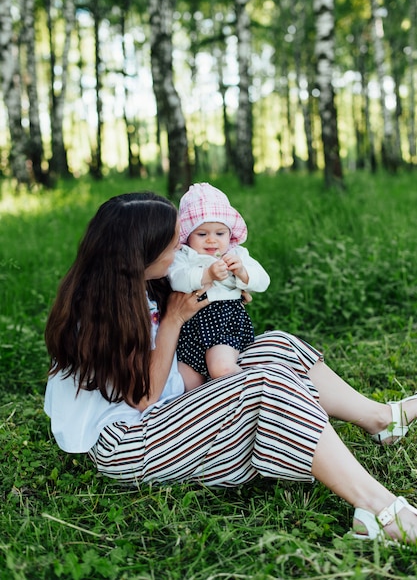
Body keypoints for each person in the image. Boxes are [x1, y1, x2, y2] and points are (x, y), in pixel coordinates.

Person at [44, 191, 417, 545]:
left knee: (276, 344)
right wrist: (174, 319)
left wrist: (222, 291)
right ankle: (380, 510)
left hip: (170, 401)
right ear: (140, 254)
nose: (183, 247)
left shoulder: (143, 282)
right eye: (175, 243)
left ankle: (381, 419)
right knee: (261, 386)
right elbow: (143, 398)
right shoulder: (99, 312)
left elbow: (190, 304)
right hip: (130, 440)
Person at [168, 182, 270, 385]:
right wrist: (207, 275)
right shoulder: (184, 255)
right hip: (190, 329)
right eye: (202, 234)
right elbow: (175, 278)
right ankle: (218, 409)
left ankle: (257, 390)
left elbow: (263, 281)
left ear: (229, 234)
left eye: (220, 233)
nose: (211, 241)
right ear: (188, 235)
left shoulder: (236, 254)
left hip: (224, 320)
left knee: (221, 368)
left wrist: (242, 272)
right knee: (185, 386)